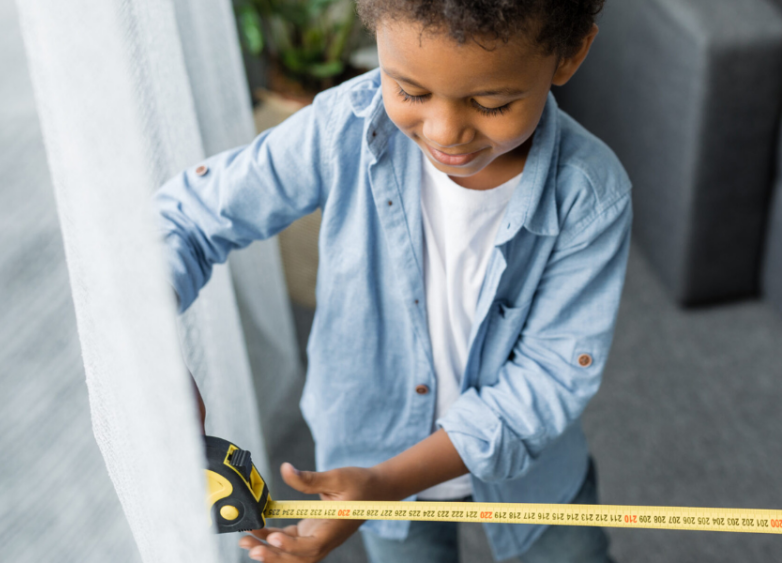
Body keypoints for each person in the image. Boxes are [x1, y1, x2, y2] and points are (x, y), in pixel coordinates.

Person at [154, 1, 629, 561]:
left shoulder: (591, 196)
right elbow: (185, 220)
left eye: (490, 102)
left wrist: (385, 485)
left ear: (569, 54)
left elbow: (547, 379)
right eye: (409, 90)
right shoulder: (343, 126)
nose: (444, 131)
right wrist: (152, 344)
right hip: (370, 457)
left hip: (531, 470)